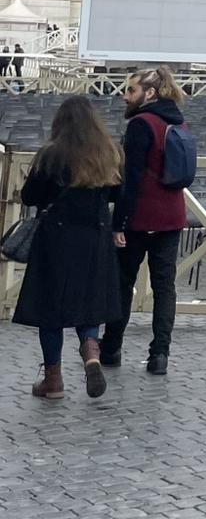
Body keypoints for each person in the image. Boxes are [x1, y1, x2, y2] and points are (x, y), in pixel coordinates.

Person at [12, 96, 122, 400]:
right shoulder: (109, 152)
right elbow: (117, 193)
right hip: (95, 237)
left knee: (51, 309)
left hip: (57, 238)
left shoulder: (52, 154)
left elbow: (31, 196)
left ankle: (53, 380)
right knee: (89, 302)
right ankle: (90, 351)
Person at [100, 66, 190, 375]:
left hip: (140, 215)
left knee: (123, 283)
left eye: (131, 90)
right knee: (165, 288)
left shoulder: (142, 124)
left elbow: (131, 177)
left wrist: (119, 222)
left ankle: (111, 348)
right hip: (172, 214)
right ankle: (160, 354)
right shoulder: (179, 121)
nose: (125, 96)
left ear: (149, 93)